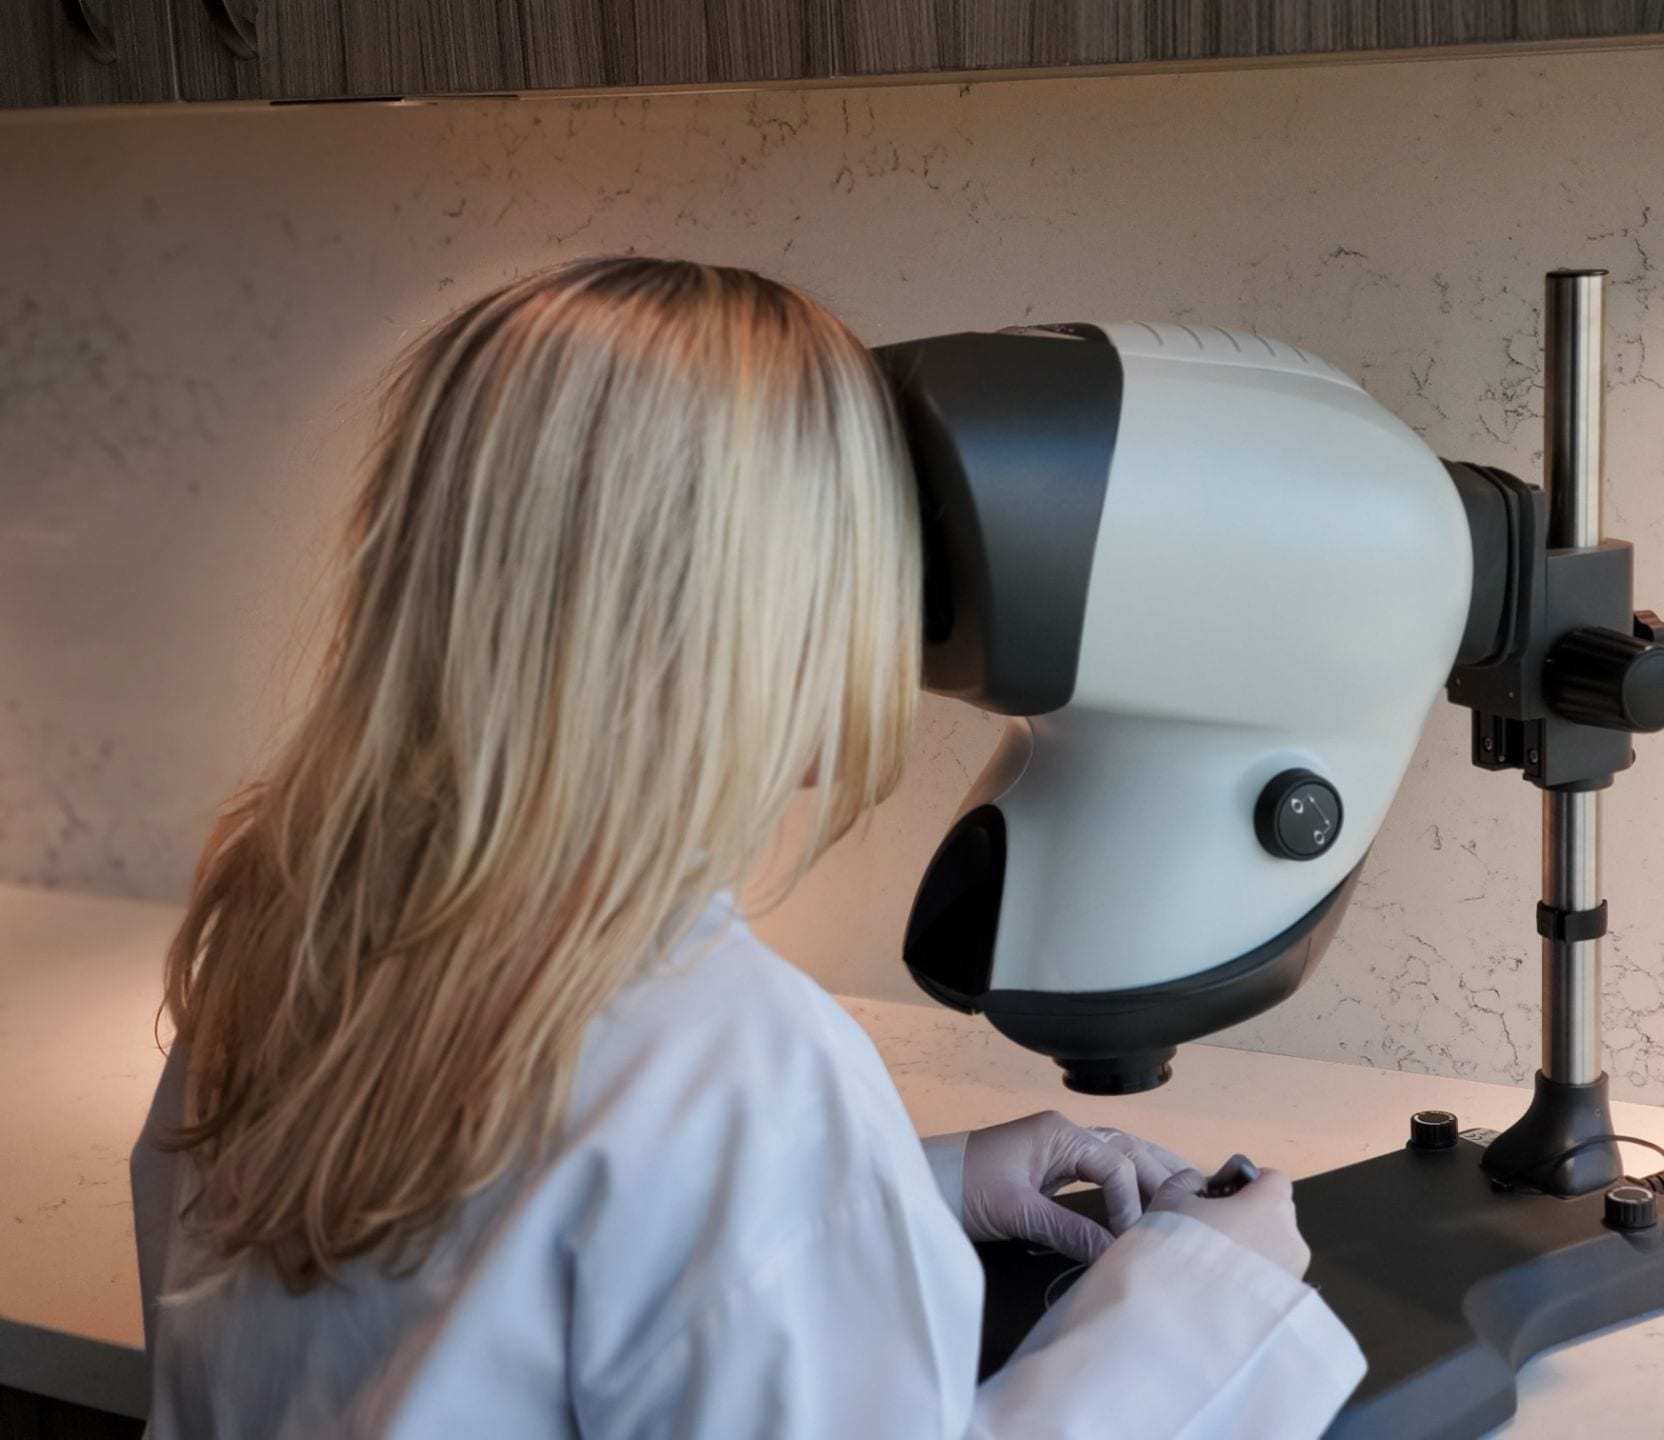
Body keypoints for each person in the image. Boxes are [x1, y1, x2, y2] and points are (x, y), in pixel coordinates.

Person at [131, 257, 1366, 1438]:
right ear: (761, 606)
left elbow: (504, 1266)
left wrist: (903, 1185)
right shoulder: (732, 1066)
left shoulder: (284, 943)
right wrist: (1209, 1299)